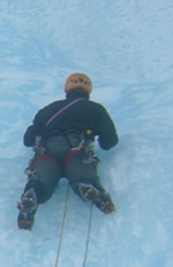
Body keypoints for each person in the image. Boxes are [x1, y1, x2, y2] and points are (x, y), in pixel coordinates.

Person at [17, 72, 118, 230]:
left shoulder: (47, 110)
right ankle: (87, 187)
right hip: (77, 149)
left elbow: (28, 140)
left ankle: (33, 194)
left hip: (48, 150)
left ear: (66, 88)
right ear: (89, 90)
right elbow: (109, 142)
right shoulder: (96, 109)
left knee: (42, 182)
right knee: (82, 176)